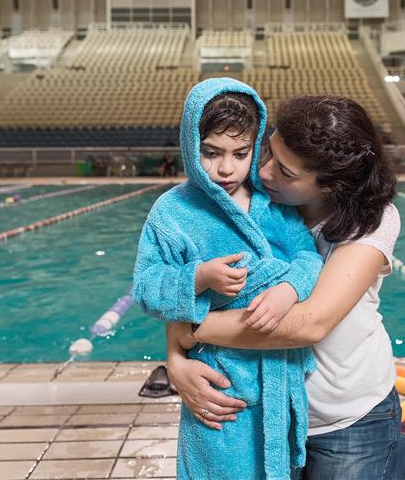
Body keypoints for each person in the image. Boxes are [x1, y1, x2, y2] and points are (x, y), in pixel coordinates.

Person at [166, 95, 405, 480]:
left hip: (347, 419)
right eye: (268, 153)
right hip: (266, 415)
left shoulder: (372, 220)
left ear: (331, 186)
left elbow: (309, 324)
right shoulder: (244, 199)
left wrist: (191, 329)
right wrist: (175, 361)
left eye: (285, 172)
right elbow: (191, 280)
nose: (264, 172)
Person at [132, 78, 324, 480]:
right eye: (211, 152)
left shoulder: (271, 203)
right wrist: (198, 277)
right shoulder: (172, 212)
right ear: (190, 145)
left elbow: (308, 257)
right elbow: (147, 287)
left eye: (240, 153)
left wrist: (288, 290)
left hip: (278, 378)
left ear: (256, 147)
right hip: (219, 382)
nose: (226, 168)